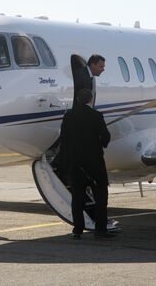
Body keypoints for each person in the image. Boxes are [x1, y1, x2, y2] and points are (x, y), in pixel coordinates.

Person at [59, 88, 112, 239]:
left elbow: (63, 140)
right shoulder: (96, 116)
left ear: (76, 100)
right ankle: (100, 229)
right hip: (94, 163)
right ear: (90, 99)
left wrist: (66, 162)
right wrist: (101, 143)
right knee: (101, 196)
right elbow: (105, 137)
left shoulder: (68, 116)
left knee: (77, 197)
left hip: (76, 164)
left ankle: (78, 229)